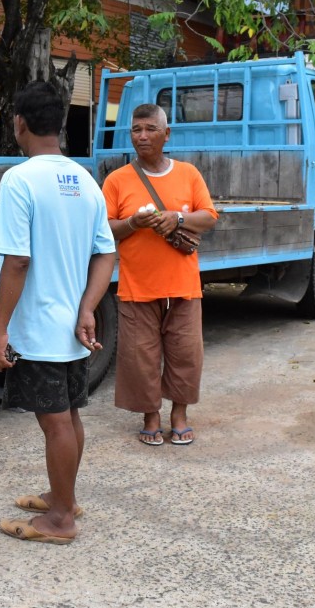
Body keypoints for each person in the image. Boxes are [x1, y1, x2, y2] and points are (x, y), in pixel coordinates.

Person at [0, 81, 116, 544]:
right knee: (70, 417)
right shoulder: (86, 180)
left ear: (19, 124)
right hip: (72, 326)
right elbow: (106, 254)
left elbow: (17, 261)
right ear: (59, 125)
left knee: (55, 421)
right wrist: (88, 308)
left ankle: (60, 519)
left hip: (38, 327)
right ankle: (64, 497)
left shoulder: (20, 179)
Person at [102, 103, 217, 448]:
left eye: (151, 129)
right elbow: (105, 230)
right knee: (140, 357)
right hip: (137, 287)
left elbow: (209, 216)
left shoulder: (188, 174)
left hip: (183, 285)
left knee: (186, 353)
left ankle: (179, 416)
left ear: (167, 134)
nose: (142, 136)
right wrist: (133, 223)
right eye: (136, 130)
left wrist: (177, 219)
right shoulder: (117, 180)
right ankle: (150, 416)